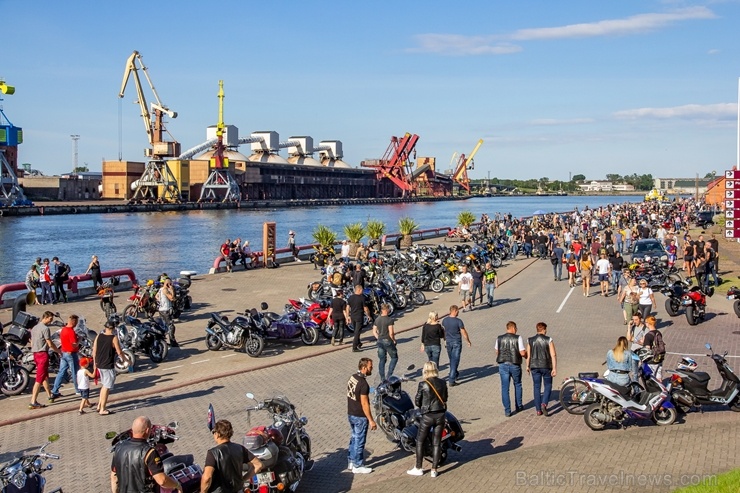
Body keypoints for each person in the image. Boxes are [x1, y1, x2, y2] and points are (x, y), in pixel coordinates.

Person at [110, 416, 183, 493]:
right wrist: (177, 485)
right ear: (147, 430)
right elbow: (162, 480)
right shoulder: (149, 452)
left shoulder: (118, 449)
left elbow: (114, 478)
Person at [406, 361, 448, 478]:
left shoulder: (423, 384)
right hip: (440, 415)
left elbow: (417, 401)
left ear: (425, 370)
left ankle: (418, 467)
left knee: (420, 441)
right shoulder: (443, 382)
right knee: (437, 442)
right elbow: (445, 398)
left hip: (427, 416)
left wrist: (423, 405)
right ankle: (434, 469)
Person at [201, 419, 263, 493]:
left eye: (214, 432)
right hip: (237, 490)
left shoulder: (213, 453)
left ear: (218, 434)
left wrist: (202, 491)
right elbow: (258, 465)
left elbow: (207, 477)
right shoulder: (240, 448)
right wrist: (242, 479)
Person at [93, 320, 130, 415]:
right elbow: (119, 352)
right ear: (113, 329)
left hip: (100, 364)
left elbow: (94, 351)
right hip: (108, 365)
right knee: (107, 387)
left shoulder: (99, 336)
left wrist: (95, 364)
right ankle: (102, 409)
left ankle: (99, 405)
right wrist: (127, 360)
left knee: (104, 385)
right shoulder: (114, 338)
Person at [347, 358, 376, 474]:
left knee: (354, 438)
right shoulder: (363, 384)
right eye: (370, 367)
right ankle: (357, 465)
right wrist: (371, 420)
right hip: (360, 416)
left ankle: (351, 461)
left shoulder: (353, 377)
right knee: (359, 441)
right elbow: (364, 403)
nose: (371, 369)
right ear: (364, 368)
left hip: (351, 413)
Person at [28, 311, 61, 410]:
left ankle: (50, 395)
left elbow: (32, 341)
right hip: (42, 354)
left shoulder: (34, 328)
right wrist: (58, 351)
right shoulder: (46, 329)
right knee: (39, 379)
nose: (51, 321)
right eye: (50, 319)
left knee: (44, 376)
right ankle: (33, 401)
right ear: (45, 317)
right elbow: (50, 343)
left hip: (35, 354)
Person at [495, 321, 528, 417]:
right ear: (513, 328)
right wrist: (526, 355)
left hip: (503, 365)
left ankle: (507, 410)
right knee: (517, 384)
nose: (517, 330)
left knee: (505, 388)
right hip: (515, 364)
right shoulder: (518, 338)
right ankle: (519, 406)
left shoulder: (499, 338)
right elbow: (522, 352)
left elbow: (497, 351)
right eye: (516, 328)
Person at [526, 322, 557, 416]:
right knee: (548, 385)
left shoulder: (530, 340)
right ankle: (544, 403)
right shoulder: (549, 340)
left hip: (534, 367)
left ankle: (538, 409)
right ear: (543, 329)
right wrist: (554, 367)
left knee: (536, 387)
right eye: (545, 329)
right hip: (546, 366)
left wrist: (527, 366)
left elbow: (528, 355)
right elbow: (553, 354)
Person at [51, 314, 81, 398]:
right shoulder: (71, 331)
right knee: (75, 372)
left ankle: (55, 390)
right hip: (71, 354)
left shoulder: (63, 330)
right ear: (73, 321)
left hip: (63, 353)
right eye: (76, 322)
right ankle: (78, 390)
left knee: (61, 372)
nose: (76, 324)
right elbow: (74, 344)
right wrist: (79, 339)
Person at [441, 305, 471, 387]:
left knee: (452, 359)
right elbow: (463, 332)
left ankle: (455, 373)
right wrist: (468, 341)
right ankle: (451, 380)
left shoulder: (445, 320)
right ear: (454, 311)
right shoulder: (458, 321)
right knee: (455, 360)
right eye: (457, 311)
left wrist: (444, 340)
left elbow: (443, 331)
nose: (458, 312)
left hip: (448, 342)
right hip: (456, 342)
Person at [372, 304, 397, 382]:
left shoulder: (377, 319)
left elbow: (374, 331)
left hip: (380, 341)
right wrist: (393, 340)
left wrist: (378, 337)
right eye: (389, 310)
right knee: (394, 357)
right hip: (388, 341)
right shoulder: (389, 320)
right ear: (386, 310)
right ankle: (389, 375)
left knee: (382, 359)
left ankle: (382, 378)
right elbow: (391, 333)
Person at [640, 316, 666, 381]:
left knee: (652, 379)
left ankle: (654, 390)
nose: (645, 324)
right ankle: (662, 390)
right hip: (660, 358)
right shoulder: (658, 332)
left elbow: (647, 349)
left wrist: (642, 342)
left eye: (645, 322)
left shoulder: (648, 336)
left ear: (648, 323)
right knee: (659, 377)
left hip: (652, 360)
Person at [157, 278, 178, 347]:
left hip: (161, 310)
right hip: (166, 310)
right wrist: (172, 290)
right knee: (171, 326)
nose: (171, 285)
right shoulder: (165, 290)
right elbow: (172, 298)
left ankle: (162, 341)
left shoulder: (160, 289)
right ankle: (172, 341)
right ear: (168, 284)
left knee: (163, 326)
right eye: (170, 284)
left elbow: (156, 296)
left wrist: (161, 301)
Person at [348, 284, 369, 352]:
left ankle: (359, 343)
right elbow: (365, 308)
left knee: (356, 331)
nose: (362, 291)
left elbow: (347, 307)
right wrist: (368, 315)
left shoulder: (350, 297)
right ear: (359, 290)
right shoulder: (361, 298)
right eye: (362, 290)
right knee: (358, 332)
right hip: (359, 316)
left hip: (353, 316)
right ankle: (354, 347)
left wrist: (348, 316)